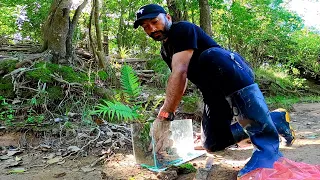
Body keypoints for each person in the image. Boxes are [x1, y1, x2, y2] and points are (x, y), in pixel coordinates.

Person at [133, 4, 295, 178]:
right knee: (212, 143)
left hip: (234, 74)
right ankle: (275, 120)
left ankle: (267, 151)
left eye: (154, 21)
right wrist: (169, 113)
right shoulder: (165, 51)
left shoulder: (182, 29)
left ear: (168, 18)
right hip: (212, 92)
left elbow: (180, 71)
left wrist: (165, 116)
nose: (151, 28)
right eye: (145, 27)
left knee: (211, 55)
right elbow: (181, 78)